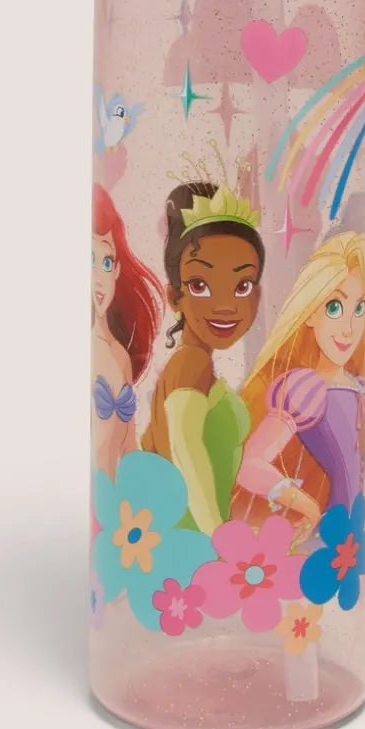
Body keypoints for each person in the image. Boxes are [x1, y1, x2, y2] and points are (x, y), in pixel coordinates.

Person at [230, 232, 365, 542]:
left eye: (359, 308)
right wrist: (306, 505)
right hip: (326, 536)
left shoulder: (361, 386)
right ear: (309, 313)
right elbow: (250, 464)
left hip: (353, 537)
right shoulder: (306, 388)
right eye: (334, 308)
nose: (348, 328)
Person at [141, 181, 266, 533]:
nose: (225, 306)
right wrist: (222, 540)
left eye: (242, 286)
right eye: (200, 285)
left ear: (257, 295)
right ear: (174, 297)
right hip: (194, 539)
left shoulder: (195, 364)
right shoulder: (190, 364)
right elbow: (186, 451)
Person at [91, 184, 163, 477]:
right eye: (90, 260)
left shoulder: (120, 355)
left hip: (116, 495)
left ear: (118, 269)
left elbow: (129, 445)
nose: (99, 278)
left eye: (107, 262)